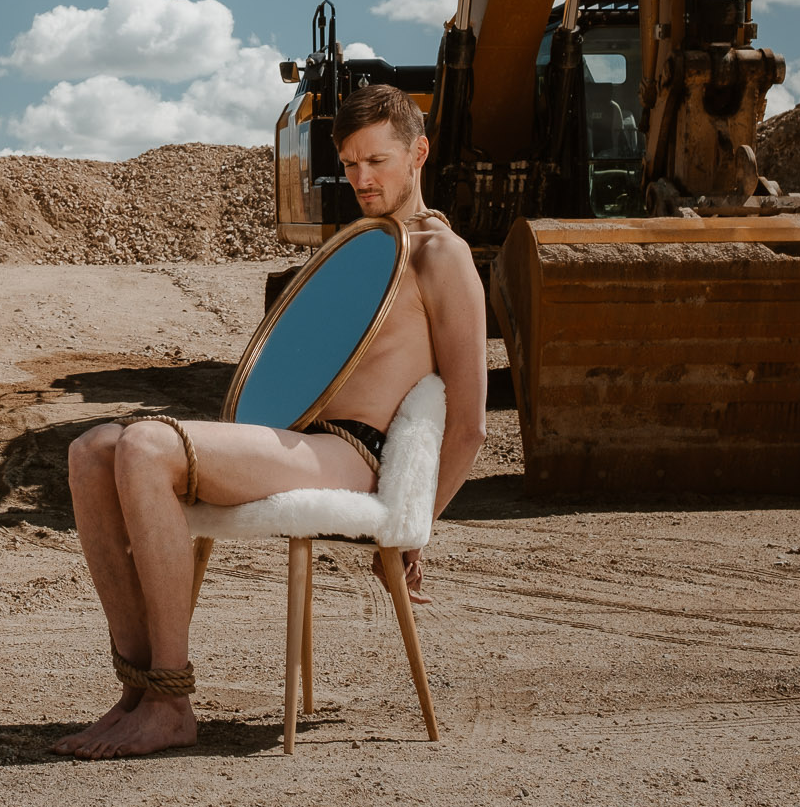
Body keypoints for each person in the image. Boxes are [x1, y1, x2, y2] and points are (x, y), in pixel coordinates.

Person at [52, 84, 487, 758]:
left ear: (419, 153)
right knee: (92, 449)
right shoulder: (358, 247)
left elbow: (471, 422)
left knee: (143, 446)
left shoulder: (440, 254)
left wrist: (415, 528)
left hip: (352, 453)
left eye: (377, 160)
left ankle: (170, 701)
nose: (361, 179)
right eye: (349, 164)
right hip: (300, 438)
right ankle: (137, 691)